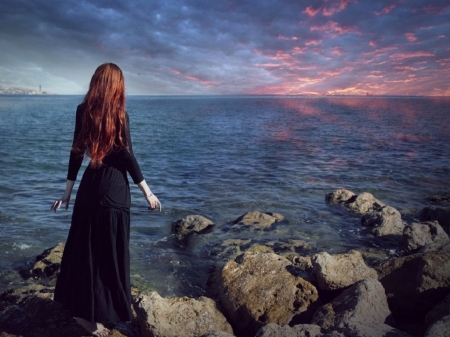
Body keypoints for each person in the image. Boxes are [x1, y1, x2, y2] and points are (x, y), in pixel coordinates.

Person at [51, 63, 161, 337]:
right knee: (109, 255)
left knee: (85, 252)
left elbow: (76, 154)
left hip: (89, 189)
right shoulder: (120, 115)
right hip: (114, 192)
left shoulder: (83, 111)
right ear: (117, 86)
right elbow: (127, 155)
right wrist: (147, 191)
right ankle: (103, 314)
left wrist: (67, 193)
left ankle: (84, 314)